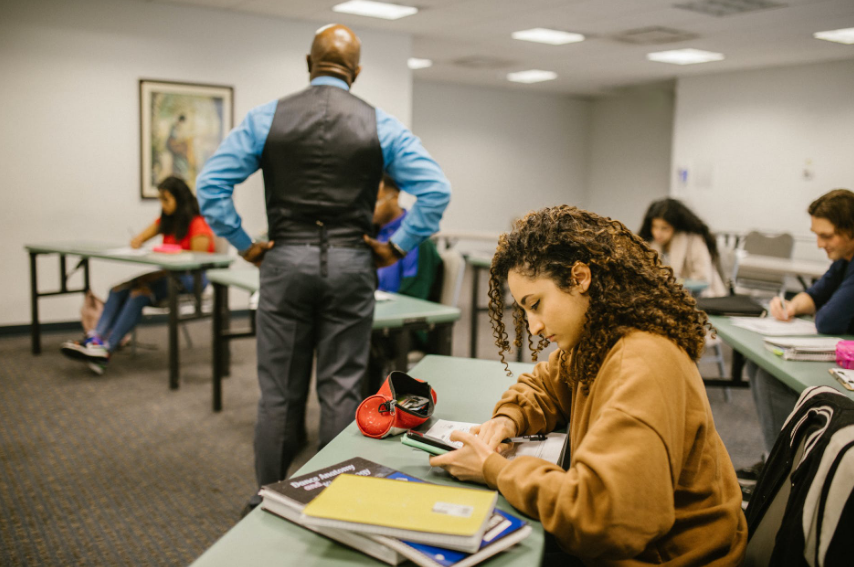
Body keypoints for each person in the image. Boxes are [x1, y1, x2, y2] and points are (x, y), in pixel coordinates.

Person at [195, 24, 451, 512]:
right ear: (356, 72)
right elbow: (436, 189)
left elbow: (210, 186)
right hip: (351, 265)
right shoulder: (381, 124)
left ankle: (268, 496)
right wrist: (396, 248)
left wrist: (245, 244)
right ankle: (329, 496)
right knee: (339, 389)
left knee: (277, 394)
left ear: (308, 64)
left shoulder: (266, 117)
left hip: (285, 260)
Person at [430, 205, 747, 566]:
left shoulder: (641, 363)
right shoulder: (598, 337)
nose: (533, 327)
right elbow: (547, 384)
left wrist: (495, 470)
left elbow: (608, 520)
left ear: (580, 277)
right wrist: (509, 419)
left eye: (535, 305)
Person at [740, 189, 854, 483]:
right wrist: (791, 307)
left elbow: (828, 320)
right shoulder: (845, 260)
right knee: (757, 364)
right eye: (817, 235)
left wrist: (817, 307)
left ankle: (784, 475)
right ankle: (773, 460)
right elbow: (815, 295)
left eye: (827, 236)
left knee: (768, 376)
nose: (819, 244)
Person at [60, 176, 214, 375]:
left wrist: (167, 255)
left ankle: (106, 350)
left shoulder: (198, 224)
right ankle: (95, 340)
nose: (163, 205)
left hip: (191, 279)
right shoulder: (167, 221)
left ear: (180, 199)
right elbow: (140, 239)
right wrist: (139, 240)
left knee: (139, 292)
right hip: (169, 273)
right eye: (160, 199)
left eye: (166, 200)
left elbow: (196, 262)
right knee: (117, 289)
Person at [367, 174, 443, 394]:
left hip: (406, 329)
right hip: (378, 321)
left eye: (376, 199)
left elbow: (414, 297)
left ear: (395, 195)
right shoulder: (374, 234)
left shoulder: (416, 240)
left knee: (356, 342)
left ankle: (368, 407)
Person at [639, 198, 727, 297]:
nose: (658, 233)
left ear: (675, 227)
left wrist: (674, 283)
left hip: (700, 298)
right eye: (655, 226)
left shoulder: (694, 241)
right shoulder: (651, 244)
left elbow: (703, 278)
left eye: (665, 228)